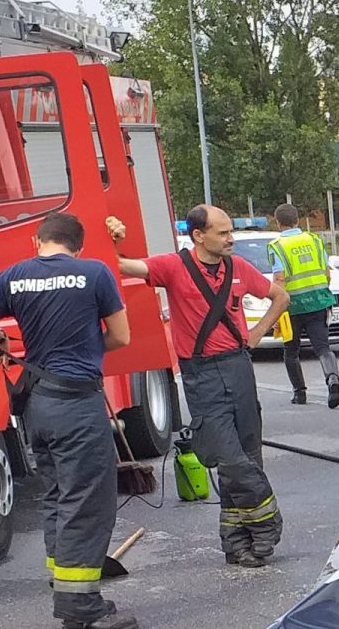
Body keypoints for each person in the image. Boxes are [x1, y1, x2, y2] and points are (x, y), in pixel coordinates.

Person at [0, 213, 139, 629]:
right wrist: (86, 345)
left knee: (56, 495)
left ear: (37, 241)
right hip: (77, 403)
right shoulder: (94, 273)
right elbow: (122, 337)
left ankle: (63, 579)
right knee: (86, 503)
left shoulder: (15, 275)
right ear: (80, 245)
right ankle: (81, 609)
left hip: (38, 404)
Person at [105, 205, 289, 567]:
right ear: (198, 236)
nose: (230, 238)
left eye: (230, 231)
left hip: (239, 368)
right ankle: (268, 521)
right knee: (228, 457)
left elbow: (280, 297)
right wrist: (111, 238)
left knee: (249, 454)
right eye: (222, 233)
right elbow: (120, 265)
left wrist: (256, 333)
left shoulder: (238, 268)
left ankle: (238, 543)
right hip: (201, 375)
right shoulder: (173, 267)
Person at [268, 203, 339, 409]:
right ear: (297, 220)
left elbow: (279, 279)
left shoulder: (277, 246)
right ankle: (332, 378)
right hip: (318, 302)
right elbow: (326, 272)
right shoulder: (314, 240)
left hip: (292, 307)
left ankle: (299, 393)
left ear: (278, 223)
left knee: (291, 351)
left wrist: (276, 308)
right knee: (323, 348)